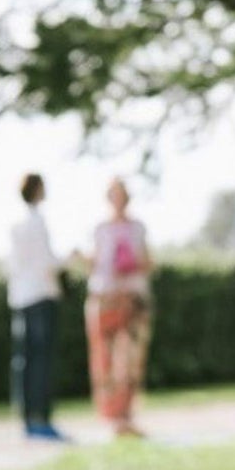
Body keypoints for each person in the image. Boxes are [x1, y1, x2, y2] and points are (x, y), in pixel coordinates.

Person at [84, 178, 153, 438]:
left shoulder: (138, 228)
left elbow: (147, 260)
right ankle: (110, 416)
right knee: (106, 359)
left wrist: (133, 265)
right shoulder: (100, 229)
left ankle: (126, 415)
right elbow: (95, 262)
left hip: (133, 298)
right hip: (105, 298)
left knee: (130, 358)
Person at [7, 173, 66, 441]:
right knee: (41, 360)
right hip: (40, 296)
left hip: (21, 298)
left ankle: (27, 417)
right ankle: (41, 417)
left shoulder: (15, 224)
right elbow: (47, 262)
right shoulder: (37, 223)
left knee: (25, 360)